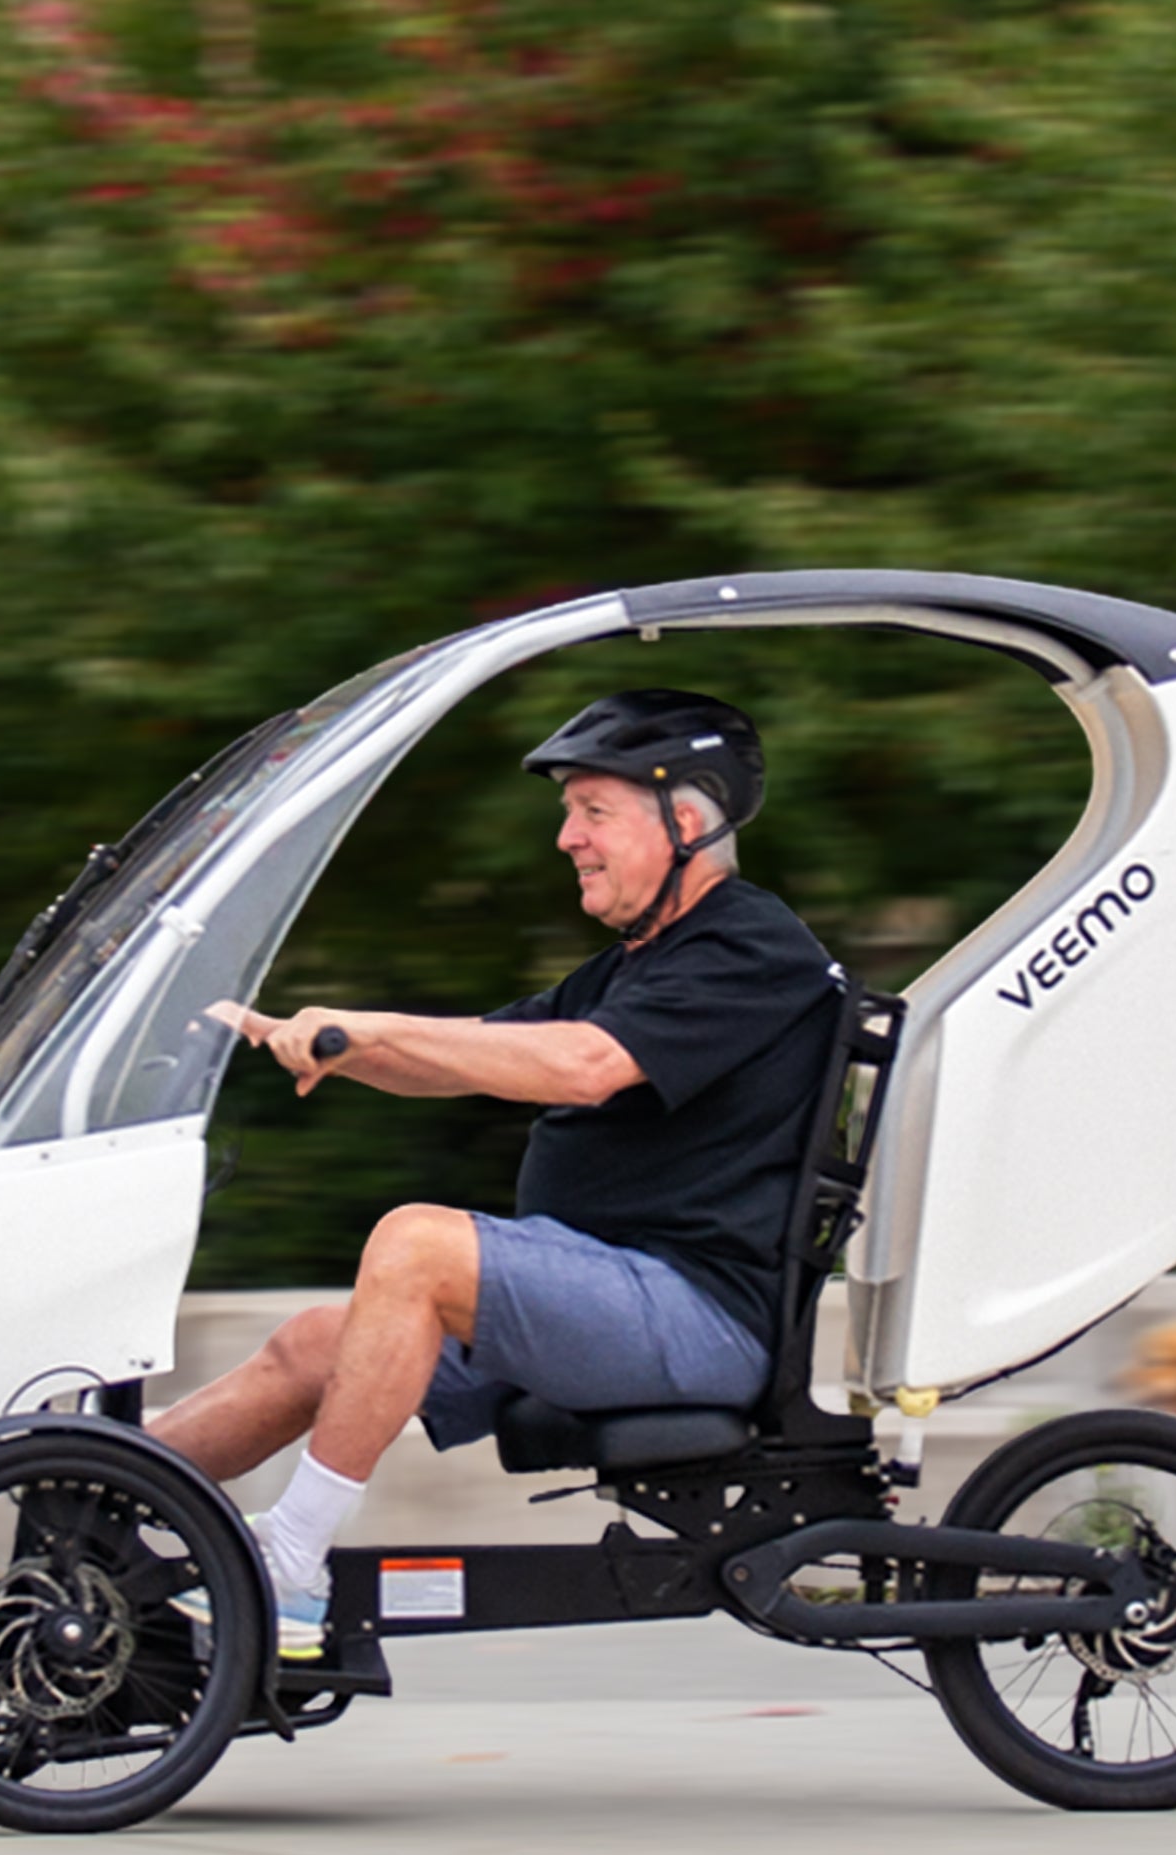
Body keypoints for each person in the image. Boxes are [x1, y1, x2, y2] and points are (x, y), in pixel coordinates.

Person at [151, 689, 844, 1659]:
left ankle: (292, 1564)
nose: (567, 838)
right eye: (569, 814)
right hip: (606, 1291)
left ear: (686, 824)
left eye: (593, 811)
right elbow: (470, 1054)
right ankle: (95, 1495)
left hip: (696, 1315)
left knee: (417, 1245)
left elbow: (584, 1066)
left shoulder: (749, 946)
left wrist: (365, 1027)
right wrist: (326, 1043)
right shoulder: (635, 966)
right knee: (316, 1345)